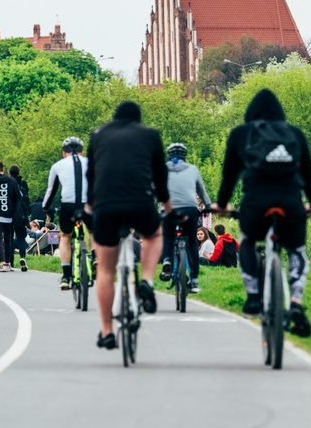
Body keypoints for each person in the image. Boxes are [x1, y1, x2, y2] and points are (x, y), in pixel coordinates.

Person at [215, 89, 311, 338]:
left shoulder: (241, 134)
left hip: (256, 203)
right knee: (297, 250)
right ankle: (296, 301)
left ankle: (253, 296)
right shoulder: (294, 133)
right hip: (291, 202)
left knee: (248, 242)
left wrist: (222, 204)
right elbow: (308, 175)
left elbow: (229, 175)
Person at [85, 101, 171, 349]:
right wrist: (167, 205)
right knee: (154, 235)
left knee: (105, 271)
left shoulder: (99, 136)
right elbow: (160, 175)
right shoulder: (150, 135)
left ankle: (107, 330)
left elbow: (91, 175)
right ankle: (147, 280)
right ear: (138, 119)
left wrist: (90, 207)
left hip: (106, 205)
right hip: (140, 203)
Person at [159, 142, 212, 293]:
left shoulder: (162, 169)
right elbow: (201, 190)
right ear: (185, 156)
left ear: (169, 155)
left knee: (168, 237)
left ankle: (167, 261)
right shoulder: (193, 169)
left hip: (169, 209)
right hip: (190, 209)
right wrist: (207, 206)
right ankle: (194, 280)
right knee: (192, 243)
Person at [41, 136, 90, 291]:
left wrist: (46, 208)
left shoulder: (57, 166)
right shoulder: (92, 163)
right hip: (88, 205)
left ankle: (66, 276)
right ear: (82, 152)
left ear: (64, 153)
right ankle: (94, 258)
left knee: (65, 236)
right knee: (94, 231)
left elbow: (51, 191)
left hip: (68, 206)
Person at [8, 165, 31, 272]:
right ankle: (22, 257)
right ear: (19, 172)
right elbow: (26, 200)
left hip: (9, 214)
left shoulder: (7, 183)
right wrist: (27, 215)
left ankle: (10, 262)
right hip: (21, 214)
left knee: (9, 237)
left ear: (9, 173)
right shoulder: (23, 184)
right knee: (21, 237)